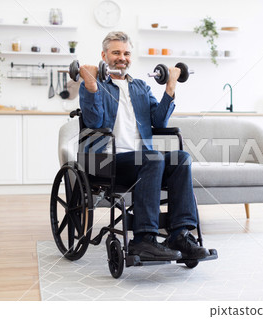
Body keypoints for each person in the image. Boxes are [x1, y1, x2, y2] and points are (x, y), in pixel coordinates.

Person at [79, 31, 210, 261]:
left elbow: (159, 122)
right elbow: (93, 122)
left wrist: (170, 87)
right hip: (108, 161)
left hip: (145, 162)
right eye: (116, 52)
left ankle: (179, 234)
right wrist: (90, 84)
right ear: (104, 55)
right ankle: (144, 240)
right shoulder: (95, 83)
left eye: (126, 53)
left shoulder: (140, 87)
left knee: (181, 158)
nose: (122, 57)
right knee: (152, 158)